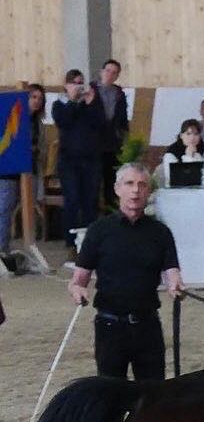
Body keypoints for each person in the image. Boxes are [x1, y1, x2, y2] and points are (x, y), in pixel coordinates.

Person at [68, 162, 184, 380]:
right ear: (117, 189)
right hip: (109, 326)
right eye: (129, 184)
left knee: (153, 397)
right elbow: (78, 280)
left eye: (142, 185)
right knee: (110, 397)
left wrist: (175, 285)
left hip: (147, 326)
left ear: (149, 191)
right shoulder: (98, 231)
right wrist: (78, 291)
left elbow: (172, 272)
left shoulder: (161, 232)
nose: (135, 190)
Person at [52, 69, 103, 250]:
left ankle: (91, 240)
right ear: (66, 85)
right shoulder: (59, 104)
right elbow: (64, 122)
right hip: (69, 161)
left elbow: (99, 123)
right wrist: (73, 101)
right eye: (74, 83)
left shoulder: (91, 103)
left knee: (90, 200)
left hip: (91, 160)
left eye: (81, 82)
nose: (78, 86)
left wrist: (90, 102)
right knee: (72, 200)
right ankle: (71, 242)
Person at [0, 84, 45, 274]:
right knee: (5, 209)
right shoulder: (13, 116)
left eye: (40, 98)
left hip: (29, 171)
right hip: (9, 171)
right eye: (33, 97)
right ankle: (1, 248)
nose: (36, 101)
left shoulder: (37, 122)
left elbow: (40, 147)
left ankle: (26, 249)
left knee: (27, 208)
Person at [92, 59, 129, 208]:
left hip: (113, 145)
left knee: (112, 185)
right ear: (102, 72)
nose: (110, 75)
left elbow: (123, 121)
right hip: (93, 145)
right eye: (108, 71)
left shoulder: (119, 93)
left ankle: (111, 215)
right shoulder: (91, 90)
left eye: (114, 73)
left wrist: (124, 139)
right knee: (93, 184)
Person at [157, 118, 204, 188]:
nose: (192, 138)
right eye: (188, 134)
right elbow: (177, 182)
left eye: (196, 134)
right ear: (181, 136)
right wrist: (189, 157)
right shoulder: (171, 154)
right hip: (178, 194)